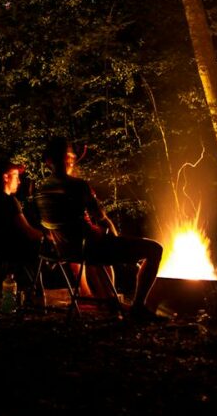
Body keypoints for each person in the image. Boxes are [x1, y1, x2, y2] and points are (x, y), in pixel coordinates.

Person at [35, 135, 165, 321]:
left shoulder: (41, 190)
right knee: (154, 249)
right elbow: (101, 217)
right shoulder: (78, 186)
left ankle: (111, 303)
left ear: (49, 162)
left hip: (65, 250)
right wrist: (113, 235)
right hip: (91, 250)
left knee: (100, 241)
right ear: (68, 159)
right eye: (71, 157)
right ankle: (138, 308)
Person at [0, 157, 45, 314]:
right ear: (5, 177)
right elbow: (28, 232)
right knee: (43, 250)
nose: (18, 182)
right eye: (16, 176)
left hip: (1, 251)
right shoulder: (10, 202)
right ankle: (37, 300)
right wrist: (47, 236)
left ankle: (29, 298)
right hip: (16, 252)